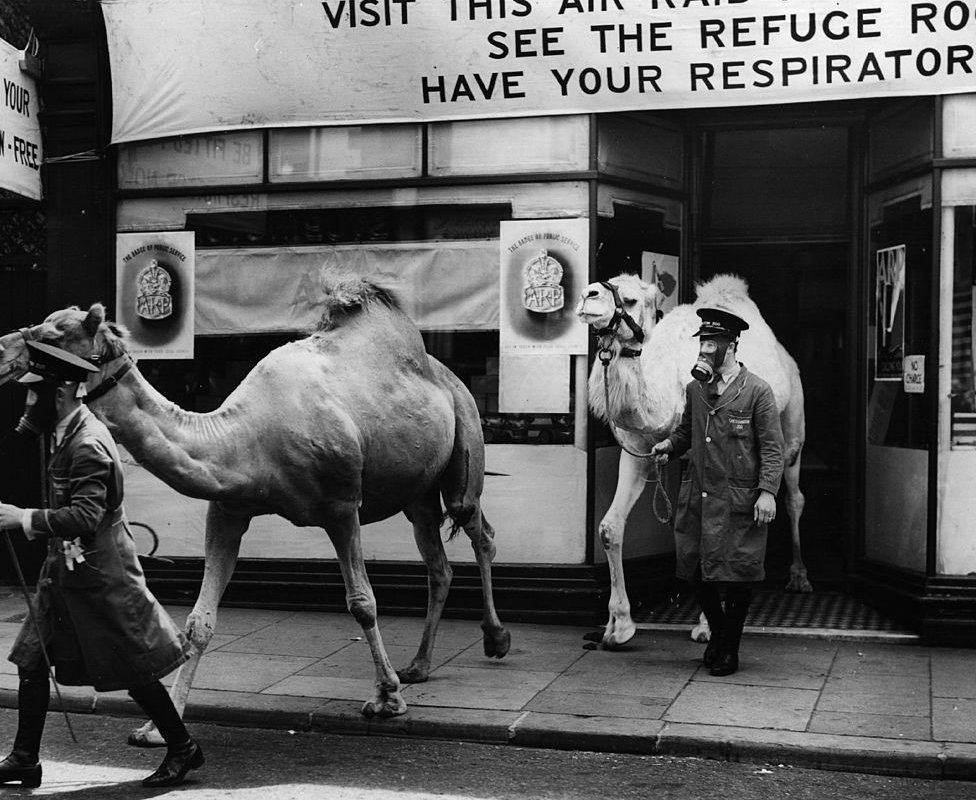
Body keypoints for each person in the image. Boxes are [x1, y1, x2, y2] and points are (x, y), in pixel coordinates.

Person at [0, 340, 203, 789]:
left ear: (61, 394)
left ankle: (183, 747)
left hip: (101, 577)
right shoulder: (67, 432)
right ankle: (25, 758)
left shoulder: (87, 443)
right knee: (31, 659)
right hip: (65, 573)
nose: (28, 402)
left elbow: (87, 517)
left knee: (135, 667)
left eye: (35, 394)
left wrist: (22, 518)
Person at [650, 308, 784, 677]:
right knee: (696, 571)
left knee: (738, 575)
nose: (705, 353)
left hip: (740, 500)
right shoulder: (696, 389)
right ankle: (722, 636)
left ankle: (729, 649)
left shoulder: (757, 390)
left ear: (732, 346)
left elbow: (773, 448)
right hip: (699, 498)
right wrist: (668, 447)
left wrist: (768, 492)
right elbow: (685, 433)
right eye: (703, 345)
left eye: (712, 346)